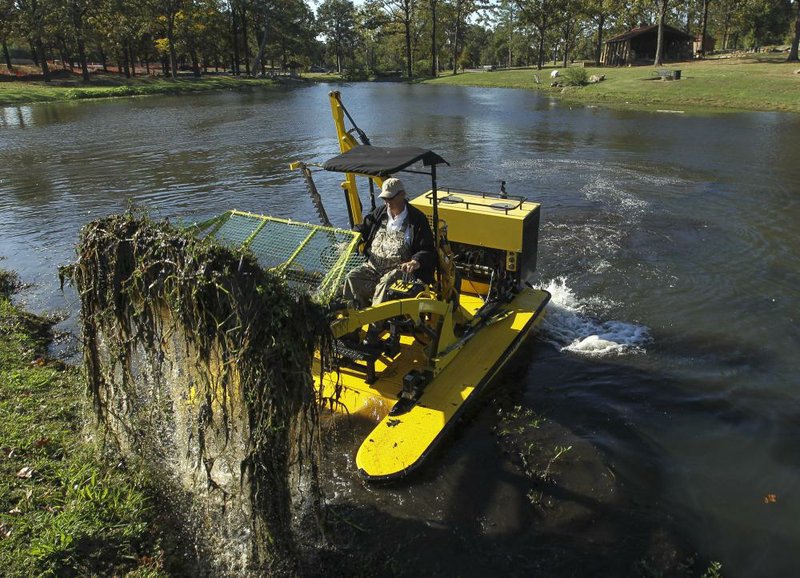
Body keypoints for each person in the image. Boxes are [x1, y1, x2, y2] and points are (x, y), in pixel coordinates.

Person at [343, 177, 435, 309]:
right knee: (353, 277)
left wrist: (415, 261)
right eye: (384, 199)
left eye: (390, 198)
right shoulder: (379, 213)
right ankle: (356, 317)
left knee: (385, 284)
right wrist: (352, 238)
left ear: (402, 195)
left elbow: (427, 249)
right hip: (374, 267)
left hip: (400, 271)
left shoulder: (417, 219)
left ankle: (375, 323)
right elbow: (361, 228)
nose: (387, 202)